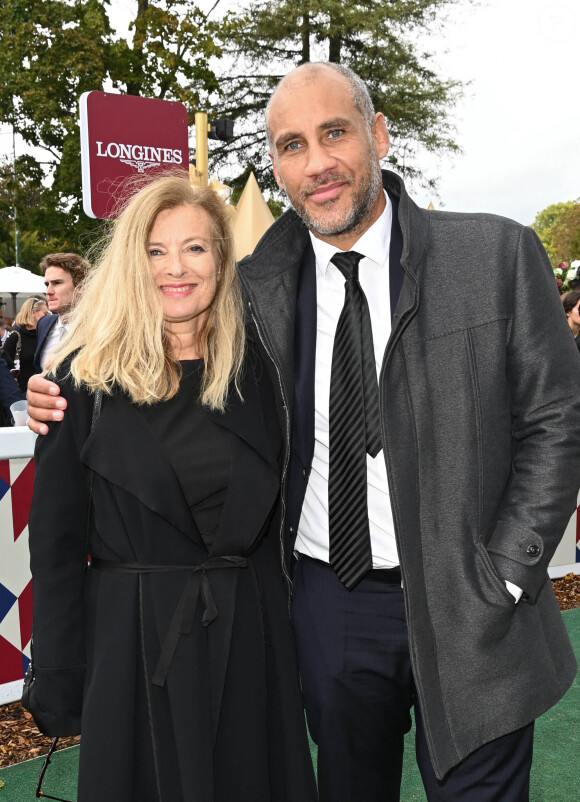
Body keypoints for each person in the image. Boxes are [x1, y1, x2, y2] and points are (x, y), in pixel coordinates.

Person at [27, 62, 580, 802]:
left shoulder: (495, 256)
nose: (317, 163)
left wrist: (508, 571)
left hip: (469, 593)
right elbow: (166, 378)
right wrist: (58, 387)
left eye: (335, 133)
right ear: (278, 167)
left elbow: (554, 419)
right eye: (291, 144)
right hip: (328, 603)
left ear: (378, 134)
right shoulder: (255, 287)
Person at [25, 177, 317, 802]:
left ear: (222, 258)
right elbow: (53, 546)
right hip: (132, 645)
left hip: (250, 640)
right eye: (156, 251)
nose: (175, 269)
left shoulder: (261, 369)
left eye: (195, 248)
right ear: (132, 262)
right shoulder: (82, 382)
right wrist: (57, 668)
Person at [34, 252, 90, 373]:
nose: (48, 291)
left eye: (57, 283)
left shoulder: (98, 328)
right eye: (47, 284)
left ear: (81, 287)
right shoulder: (43, 324)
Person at [1, 297, 49, 391]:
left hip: (43, 389)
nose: (48, 317)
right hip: (21, 391)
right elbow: (4, 366)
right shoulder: (16, 336)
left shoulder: (45, 336)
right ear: (32, 312)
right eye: (45, 314)